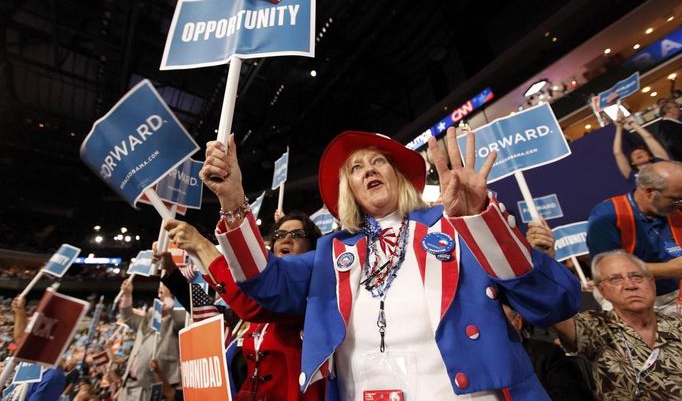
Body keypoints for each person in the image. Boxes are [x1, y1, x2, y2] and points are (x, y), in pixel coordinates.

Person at [197, 129, 580, 400]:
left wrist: (479, 218)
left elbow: (555, 303)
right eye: (356, 168)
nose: (369, 170)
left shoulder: (462, 222)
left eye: (378, 161)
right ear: (350, 190)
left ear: (398, 177)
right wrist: (233, 202)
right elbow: (265, 284)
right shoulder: (331, 253)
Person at [163, 215, 326, 400]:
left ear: (312, 246)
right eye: (279, 234)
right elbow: (213, 315)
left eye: (297, 234)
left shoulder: (312, 291)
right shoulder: (251, 312)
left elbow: (247, 302)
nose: (286, 238)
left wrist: (201, 245)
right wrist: (173, 273)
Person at [553, 250, 682, 400]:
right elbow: (554, 312)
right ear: (602, 291)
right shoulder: (595, 327)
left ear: (652, 284)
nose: (630, 285)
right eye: (616, 279)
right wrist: (544, 259)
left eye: (637, 276)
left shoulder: (677, 326)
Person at [586, 161, 682, 315]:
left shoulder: (675, 213)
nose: (679, 204)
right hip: (628, 297)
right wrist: (670, 270)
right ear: (650, 191)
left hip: (675, 295)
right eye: (676, 199)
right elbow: (608, 273)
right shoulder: (608, 216)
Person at [502, 305, 593, 401]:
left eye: (500, 325)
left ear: (518, 322)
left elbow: (568, 396)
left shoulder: (548, 355)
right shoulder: (488, 366)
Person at [116, 279, 184, 401]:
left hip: (153, 388)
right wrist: (127, 294)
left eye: (164, 290)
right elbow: (128, 317)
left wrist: (169, 300)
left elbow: (180, 321)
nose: (161, 293)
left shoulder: (177, 321)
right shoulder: (148, 319)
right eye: (160, 291)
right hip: (130, 384)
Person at [9, 295, 67, 401]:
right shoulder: (30, 362)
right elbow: (20, 339)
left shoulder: (52, 376)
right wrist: (20, 311)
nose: (27, 338)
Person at [611, 110, 668, 187]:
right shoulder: (632, 175)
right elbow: (617, 153)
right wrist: (619, 127)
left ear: (650, 156)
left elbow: (649, 138)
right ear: (632, 163)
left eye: (642, 152)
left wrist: (631, 122)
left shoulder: (661, 163)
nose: (638, 153)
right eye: (634, 154)